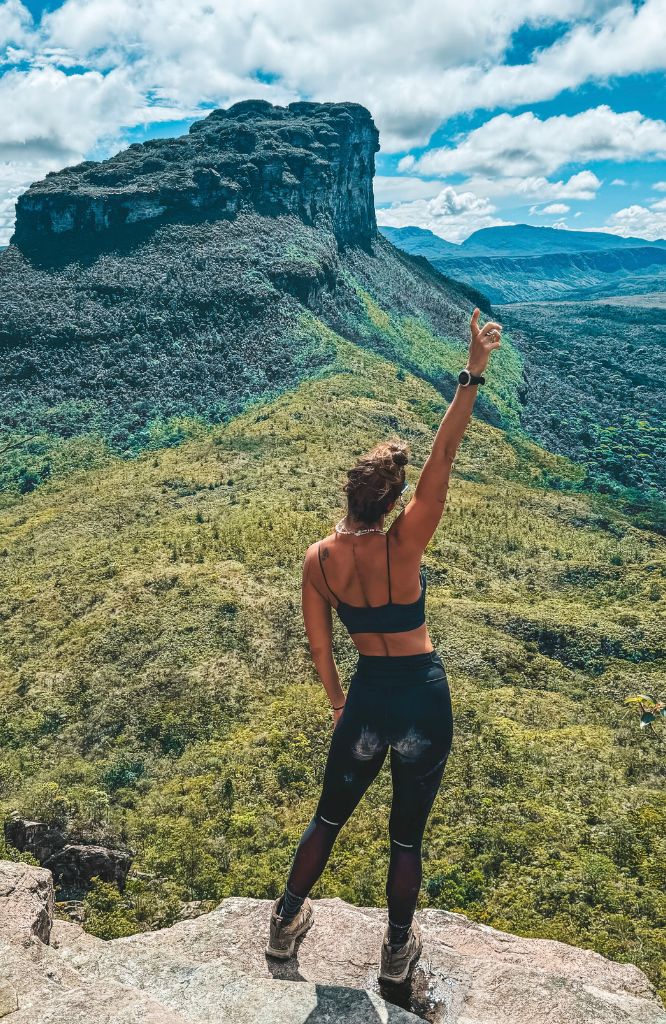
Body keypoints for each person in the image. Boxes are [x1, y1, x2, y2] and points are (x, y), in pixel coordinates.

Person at [266, 307, 502, 984]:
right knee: (406, 837)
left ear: (349, 492)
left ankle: (285, 926)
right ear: (393, 500)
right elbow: (446, 454)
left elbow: (319, 650)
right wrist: (472, 373)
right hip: (424, 698)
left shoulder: (319, 561)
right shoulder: (406, 542)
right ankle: (397, 953)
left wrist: (341, 704)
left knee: (328, 819)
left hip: (367, 696)